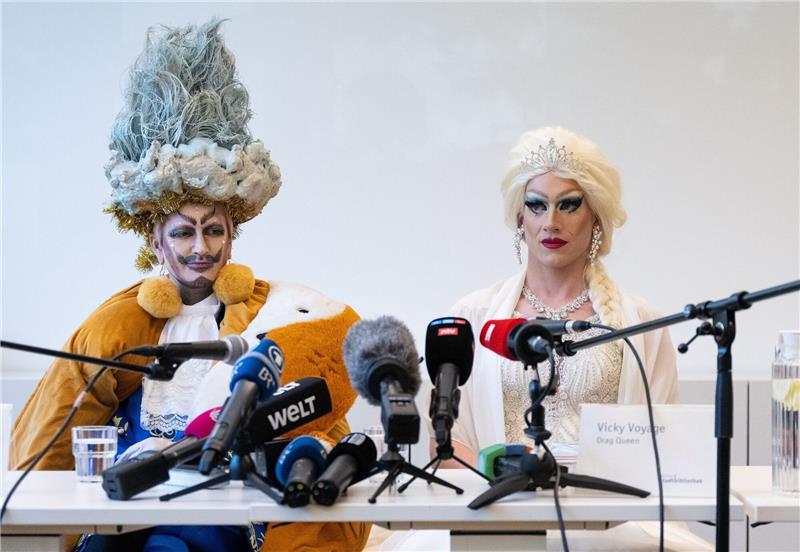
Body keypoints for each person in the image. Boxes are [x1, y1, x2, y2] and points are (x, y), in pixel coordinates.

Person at [9, 20, 369, 552]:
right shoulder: (120, 328)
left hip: (223, 516)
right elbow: (60, 427)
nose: (200, 247)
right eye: (183, 231)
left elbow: (320, 421)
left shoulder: (271, 317)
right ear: (156, 241)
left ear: (232, 233)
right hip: (132, 513)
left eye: (214, 229)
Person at [442, 126, 678, 463]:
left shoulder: (642, 324)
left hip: (609, 512)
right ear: (520, 217)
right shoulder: (473, 316)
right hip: (497, 507)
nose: (551, 222)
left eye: (568, 205)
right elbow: (449, 440)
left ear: (595, 217)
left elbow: (662, 445)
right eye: (537, 206)